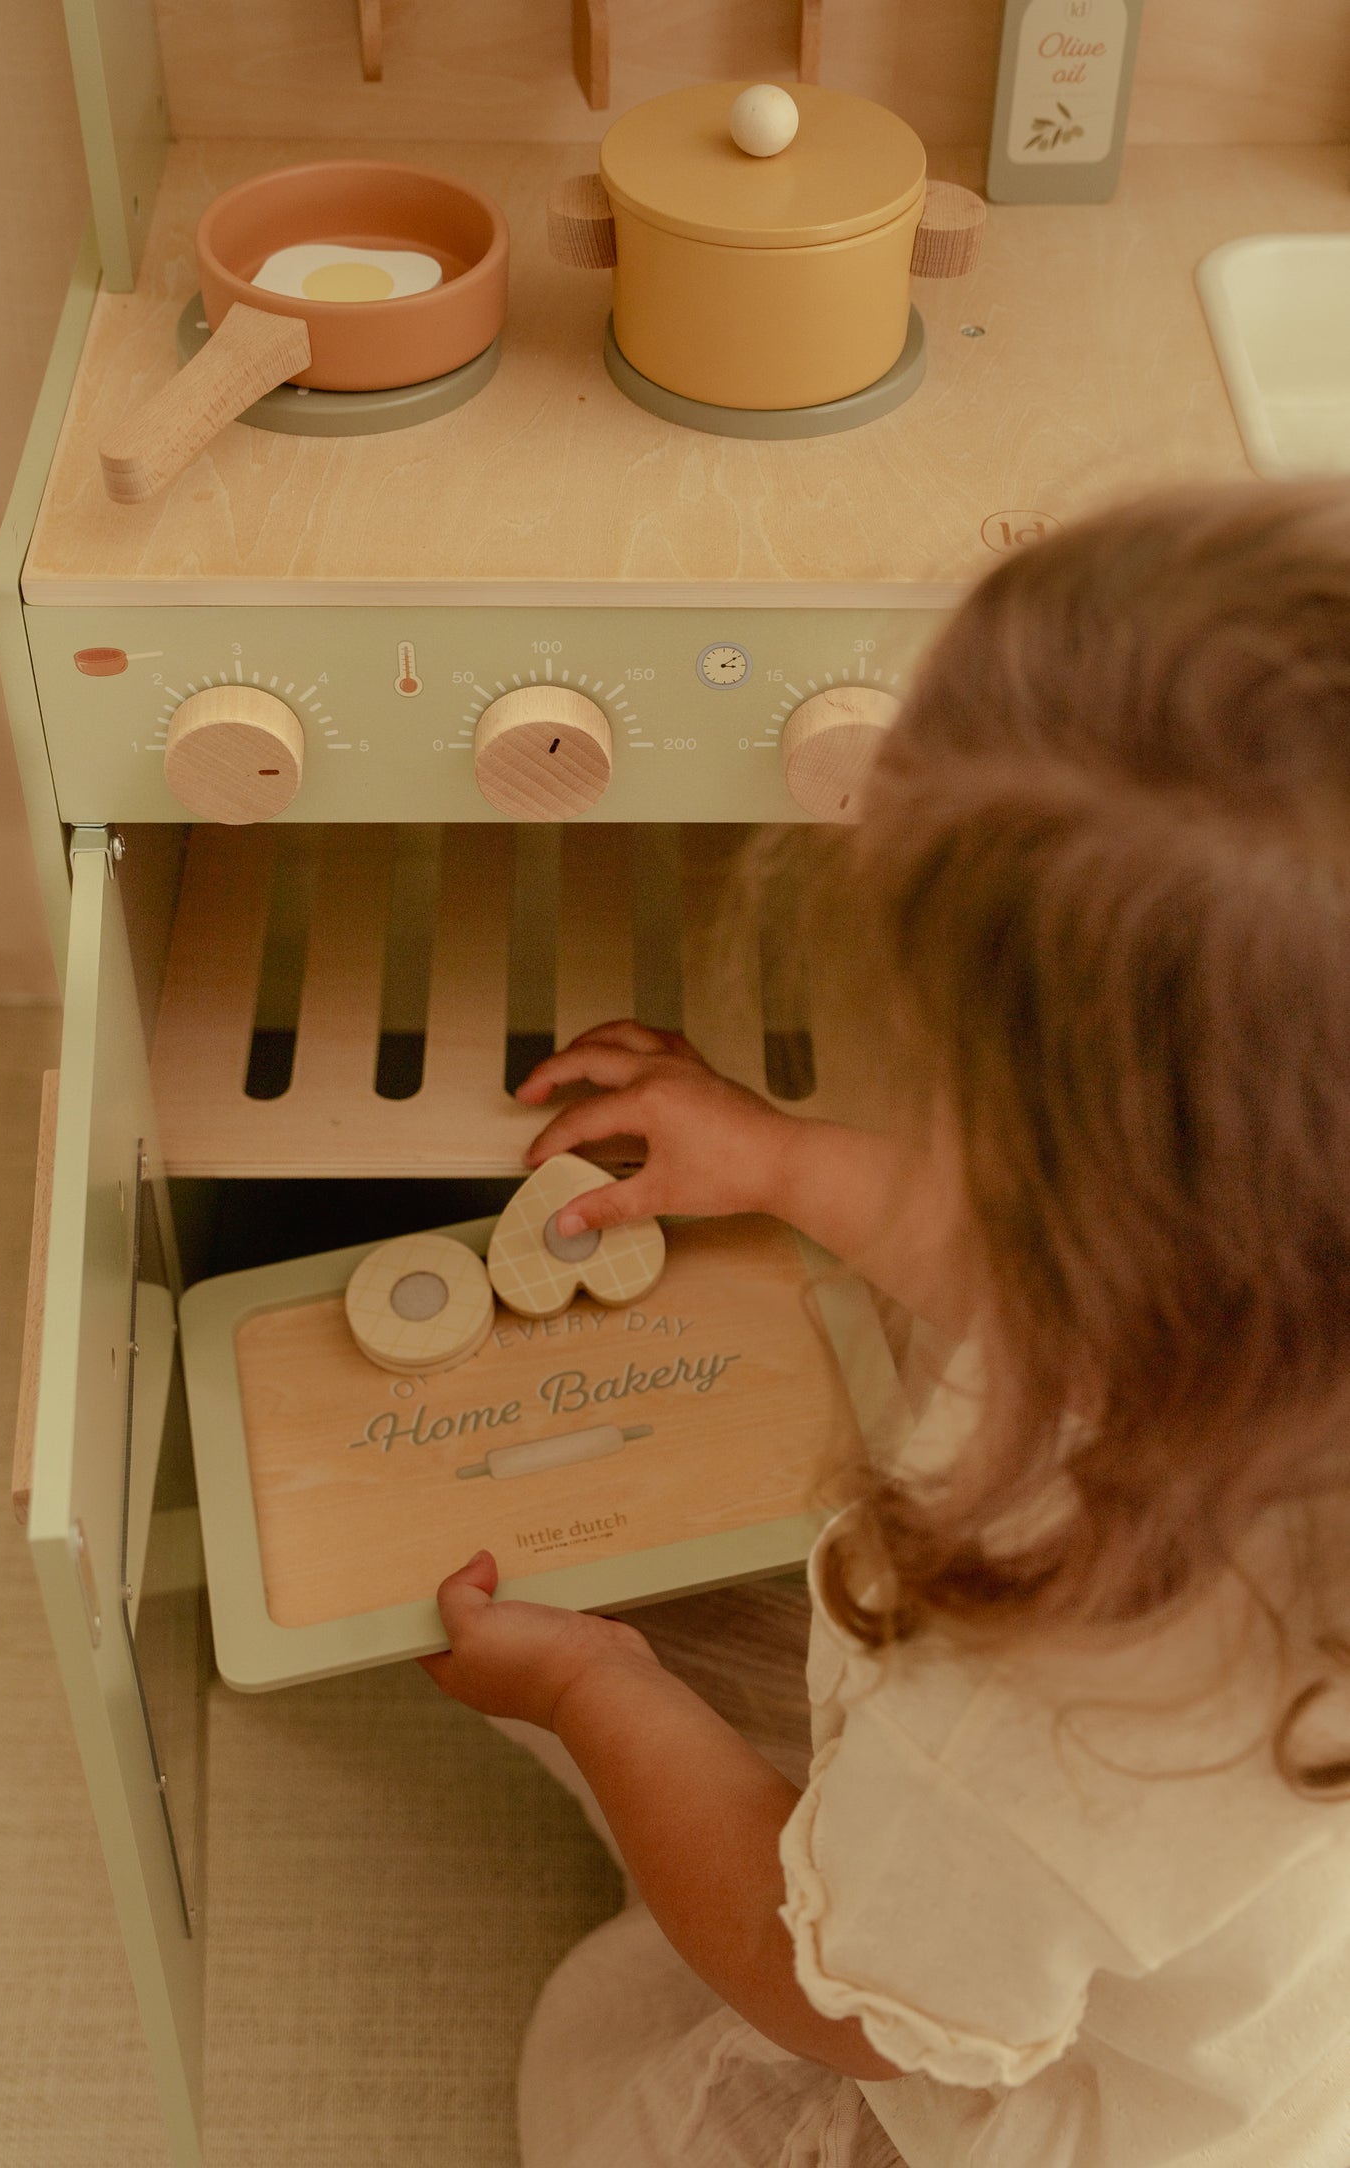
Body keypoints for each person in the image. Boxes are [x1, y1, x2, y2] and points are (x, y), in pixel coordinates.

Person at [420, 482, 1350, 2168]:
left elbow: (823, 1995)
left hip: (1106, 2109)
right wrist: (780, 1159)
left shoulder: (1056, 1700)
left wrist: (597, 1689)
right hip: (1263, 1965)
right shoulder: (1277, 1277)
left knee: (604, 2081)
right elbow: (1020, 1255)